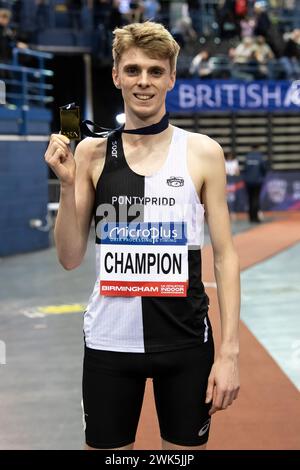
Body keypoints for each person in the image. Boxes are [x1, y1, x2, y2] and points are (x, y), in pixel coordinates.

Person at [44, 21, 240, 451]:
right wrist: (67, 184)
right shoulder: (90, 152)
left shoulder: (202, 152)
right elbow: (70, 257)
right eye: (132, 70)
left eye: (155, 71)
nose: (143, 81)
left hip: (186, 344)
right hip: (109, 344)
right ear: (115, 76)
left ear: (171, 77)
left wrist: (229, 353)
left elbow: (225, 256)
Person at [243, 143, 268, 223]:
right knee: (255, 198)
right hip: (257, 181)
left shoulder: (247, 157)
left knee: (250, 198)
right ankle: (255, 218)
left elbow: (245, 169)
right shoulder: (260, 157)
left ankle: (251, 217)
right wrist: (262, 176)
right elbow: (264, 168)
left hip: (248, 181)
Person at [224, 151, 240, 220]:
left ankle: (233, 212)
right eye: (228, 156)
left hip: (232, 180)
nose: (230, 157)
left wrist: (234, 172)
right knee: (226, 198)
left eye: (231, 156)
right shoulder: (224, 162)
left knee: (232, 198)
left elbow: (237, 172)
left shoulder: (235, 162)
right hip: (226, 181)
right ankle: (227, 213)